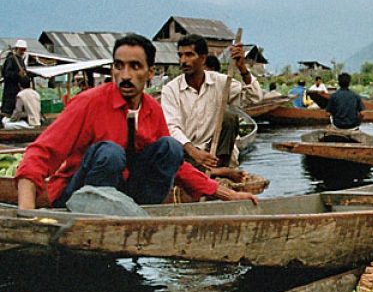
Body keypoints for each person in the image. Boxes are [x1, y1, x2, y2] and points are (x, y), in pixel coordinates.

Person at [14, 34, 257, 210]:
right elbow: (41, 153)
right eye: (119, 67)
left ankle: (140, 216)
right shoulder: (88, 102)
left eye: (135, 67)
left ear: (150, 73)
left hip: (125, 197)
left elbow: (178, 166)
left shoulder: (152, 109)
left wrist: (224, 193)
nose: (126, 75)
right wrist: (27, 212)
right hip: (76, 197)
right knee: (110, 153)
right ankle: (99, 217)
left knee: (171, 147)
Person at [161, 34, 262, 174]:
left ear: (203, 58)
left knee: (229, 118)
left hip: (215, 155)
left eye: (189, 55)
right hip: (185, 155)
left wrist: (242, 69)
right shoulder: (171, 90)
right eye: (181, 55)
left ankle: (218, 172)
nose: (183, 61)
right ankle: (207, 174)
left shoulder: (220, 82)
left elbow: (254, 98)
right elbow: (172, 128)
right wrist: (194, 153)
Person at [2, 40, 29, 116]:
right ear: (17, 49)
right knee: (9, 109)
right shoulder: (10, 59)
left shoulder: (21, 60)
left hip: (19, 88)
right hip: (11, 89)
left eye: (24, 50)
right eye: (21, 49)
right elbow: (6, 74)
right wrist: (17, 74)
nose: (23, 52)